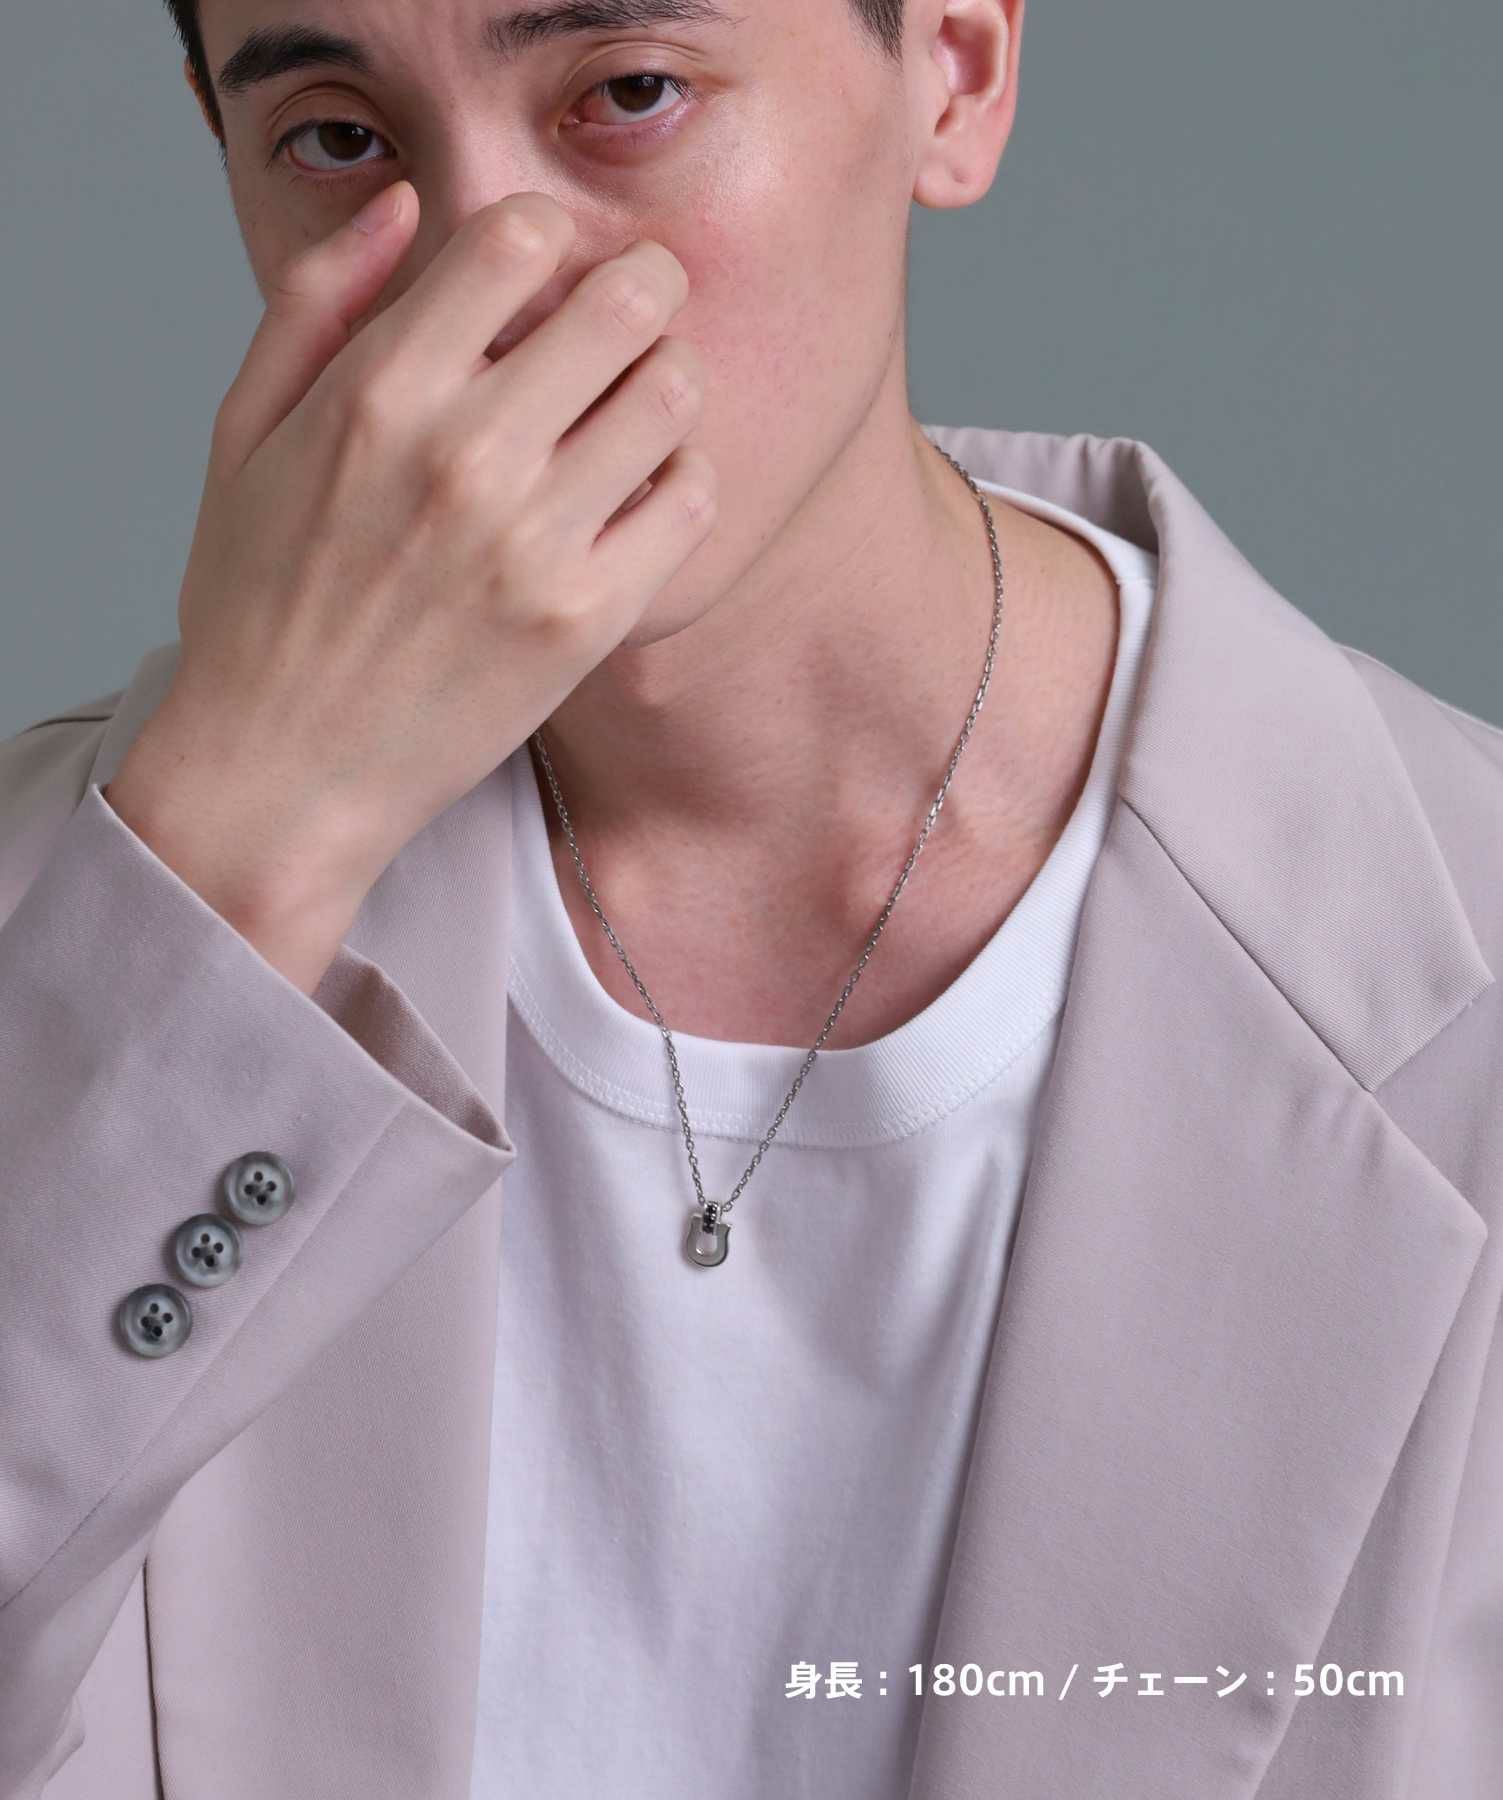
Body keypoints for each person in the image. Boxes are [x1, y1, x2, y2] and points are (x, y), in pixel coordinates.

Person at [1, 0, 1499, 1795]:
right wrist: (235, 849)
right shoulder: (56, 920)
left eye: (629, 94)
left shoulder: (1460, 972)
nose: (492, 282)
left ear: (955, 65)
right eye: (335, 137)